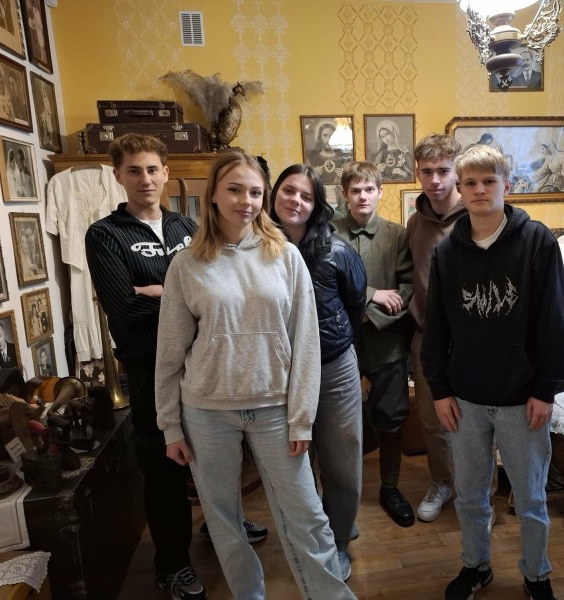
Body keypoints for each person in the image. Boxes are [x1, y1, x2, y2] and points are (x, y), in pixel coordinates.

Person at [155, 151, 356, 600]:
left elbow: (306, 342)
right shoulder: (186, 265)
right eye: (234, 190)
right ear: (213, 194)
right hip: (206, 412)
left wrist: (302, 417)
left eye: (254, 192)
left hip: (274, 408)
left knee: (307, 515)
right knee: (223, 521)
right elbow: (169, 353)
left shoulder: (285, 257)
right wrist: (170, 425)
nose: (245, 201)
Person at [421, 144, 564, 600]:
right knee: (469, 495)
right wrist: (439, 389)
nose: (480, 190)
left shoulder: (538, 242)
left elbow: (554, 321)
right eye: (470, 183)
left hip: (523, 399)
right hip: (464, 399)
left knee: (530, 498)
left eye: (489, 181)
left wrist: (546, 389)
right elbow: (436, 327)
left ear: (507, 185)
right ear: (460, 189)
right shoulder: (447, 252)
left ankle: (537, 575)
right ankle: (475, 566)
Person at [85, 134, 207, 600]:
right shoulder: (105, 235)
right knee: (163, 469)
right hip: (148, 367)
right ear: (118, 175)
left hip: (200, 363)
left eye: (153, 169)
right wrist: (179, 299)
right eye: (134, 170)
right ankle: (172, 565)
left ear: (166, 173)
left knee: (212, 455)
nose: (145, 179)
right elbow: (124, 309)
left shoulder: (187, 227)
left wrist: (154, 291)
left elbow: (214, 293)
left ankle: (221, 529)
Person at [270, 164, 367, 581]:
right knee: (294, 465)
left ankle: (339, 539)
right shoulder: (254, 246)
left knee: (342, 462)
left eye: (306, 196)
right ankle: (311, 536)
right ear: (274, 194)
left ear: (317, 205)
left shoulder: (338, 250)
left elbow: (355, 304)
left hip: (333, 368)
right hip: (280, 374)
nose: (295, 200)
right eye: (288, 191)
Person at [333, 161, 416, 527]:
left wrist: (373, 315)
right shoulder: (330, 232)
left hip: (387, 340)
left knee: (392, 416)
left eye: (369, 189)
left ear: (380, 192)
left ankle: (390, 487)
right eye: (355, 190)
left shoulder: (397, 235)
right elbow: (325, 283)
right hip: (342, 342)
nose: (362, 196)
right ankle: (340, 493)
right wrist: (369, 296)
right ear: (345, 195)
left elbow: (408, 288)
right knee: (338, 421)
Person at [407, 133, 466, 523]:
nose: (435, 180)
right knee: (432, 420)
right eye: (427, 172)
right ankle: (442, 482)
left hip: (470, 343)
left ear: (456, 171)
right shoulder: (415, 222)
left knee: (475, 421)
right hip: (427, 340)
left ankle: (477, 496)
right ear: (418, 173)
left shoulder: (476, 216)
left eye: (443, 170)